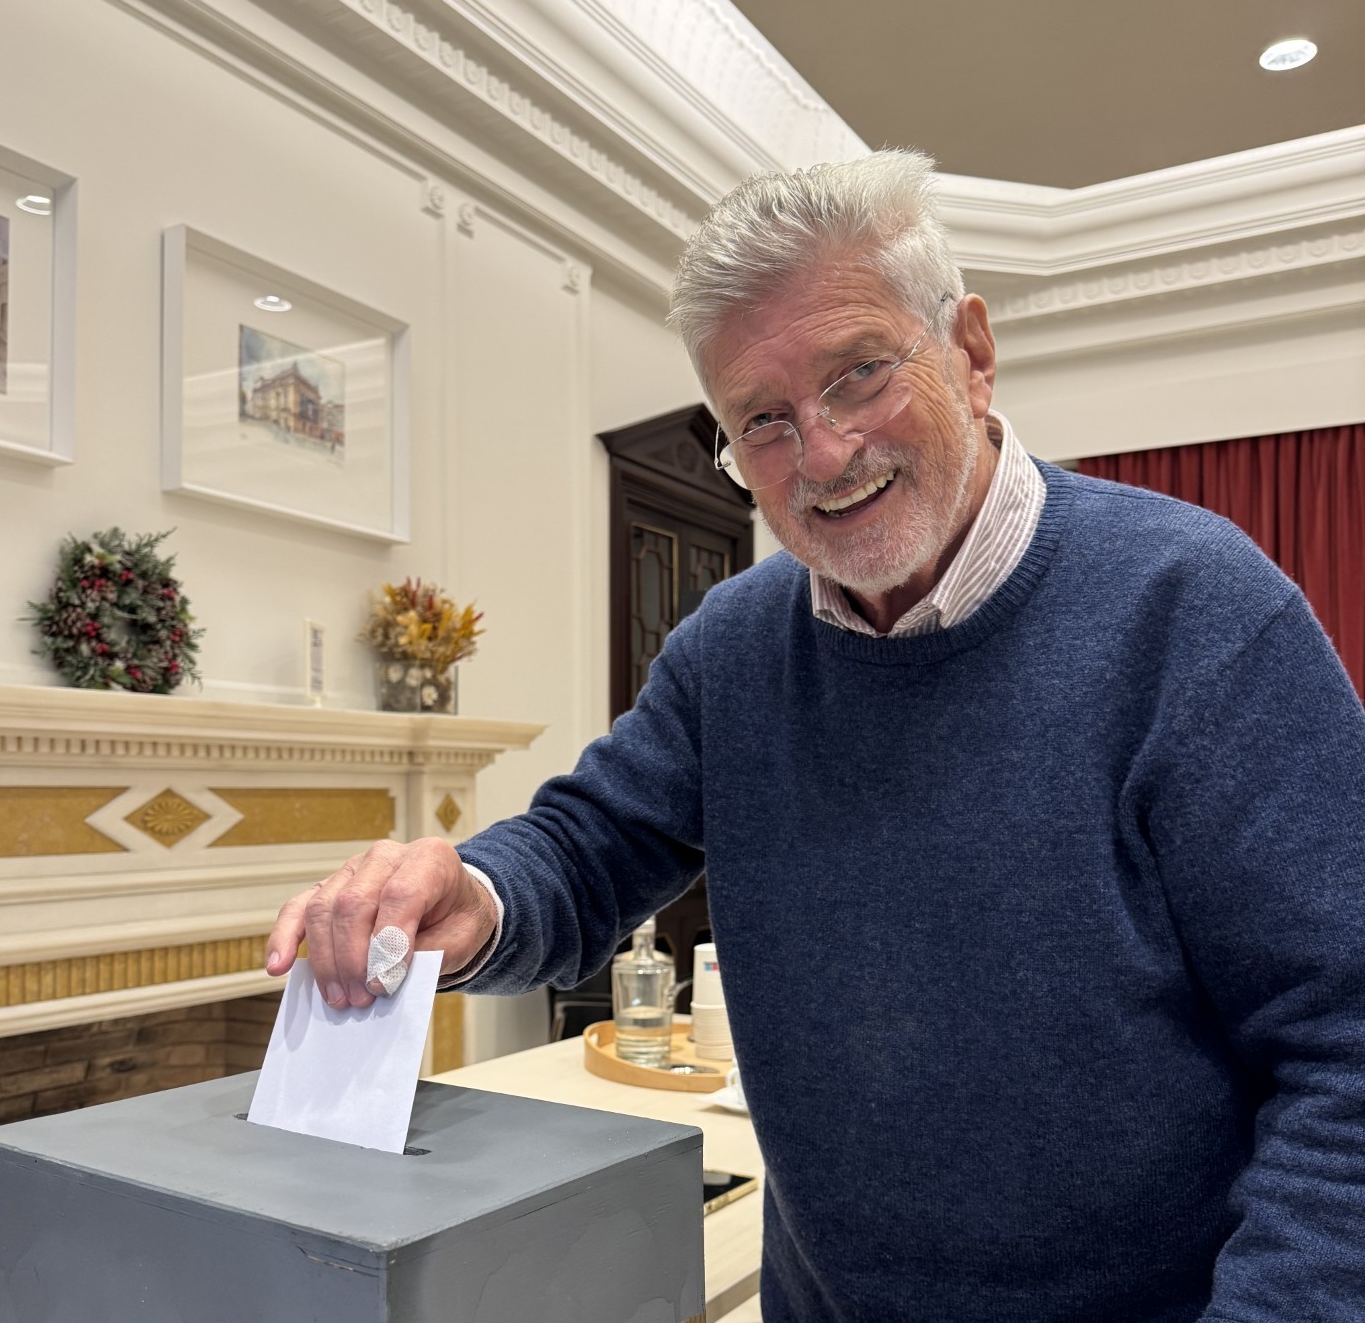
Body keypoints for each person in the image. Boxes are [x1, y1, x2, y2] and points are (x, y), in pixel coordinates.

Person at [268, 149, 1365, 1323]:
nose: (825, 455)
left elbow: (1346, 1054)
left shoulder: (1197, 612)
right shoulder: (733, 648)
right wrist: (474, 891)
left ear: (973, 353)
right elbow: (588, 845)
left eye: (858, 374)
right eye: (765, 421)